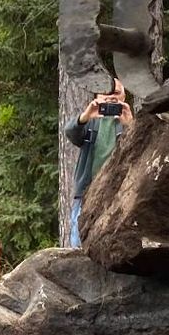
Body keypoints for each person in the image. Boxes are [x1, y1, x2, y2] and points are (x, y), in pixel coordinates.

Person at [64, 78, 132, 247]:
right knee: (78, 239)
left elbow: (139, 148)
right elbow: (71, 133)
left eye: (115, 93)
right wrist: (85, 116)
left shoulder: (126, 123)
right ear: (97, 95)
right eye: (105, 93)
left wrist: (131, 126)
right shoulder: (91, 123)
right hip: (87, 190)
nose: (110, 98)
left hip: (118, 191)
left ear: (124, 96)